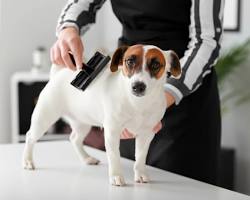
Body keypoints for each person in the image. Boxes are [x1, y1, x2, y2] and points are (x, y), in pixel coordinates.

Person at [51, 0, 224, 185]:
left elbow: (206, 43)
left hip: (185, 96)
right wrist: (68, 30)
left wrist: (159, 101)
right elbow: (82, 4)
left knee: (181, 190)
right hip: (126, 89)